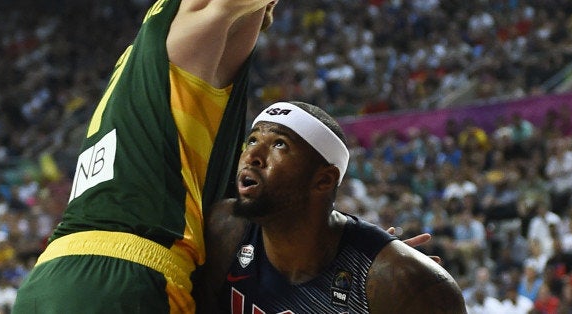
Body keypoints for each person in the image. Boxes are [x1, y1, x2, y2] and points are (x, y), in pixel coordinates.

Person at [13, 0, 279, 313]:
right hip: (126, 278)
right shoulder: (173, 35)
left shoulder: (156, 66)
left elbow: (239, 21)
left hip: (51, 277)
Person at [197, 101, 467, 313]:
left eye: (279, 144)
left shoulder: (400, 282)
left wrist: (389, 272)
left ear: (324, 179)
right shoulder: (224, 230)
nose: (252, 156)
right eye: (253, 140)